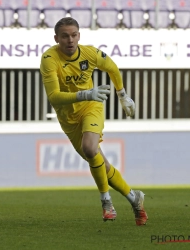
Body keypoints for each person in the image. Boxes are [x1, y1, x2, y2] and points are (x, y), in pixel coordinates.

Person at [39, 17, 148, 226]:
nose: (70, 40)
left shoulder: (89, 53)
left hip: (91, 107)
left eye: (74, 35)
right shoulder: (49, 59)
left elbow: (112, 68)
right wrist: (85, 93)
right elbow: (54, 96)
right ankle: (134, 198)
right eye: (65, 36)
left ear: (79, 36)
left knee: (90, 148)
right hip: (68, 118)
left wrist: (122, 95)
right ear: (56, 38)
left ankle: (106, 202)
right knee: (101, 163)